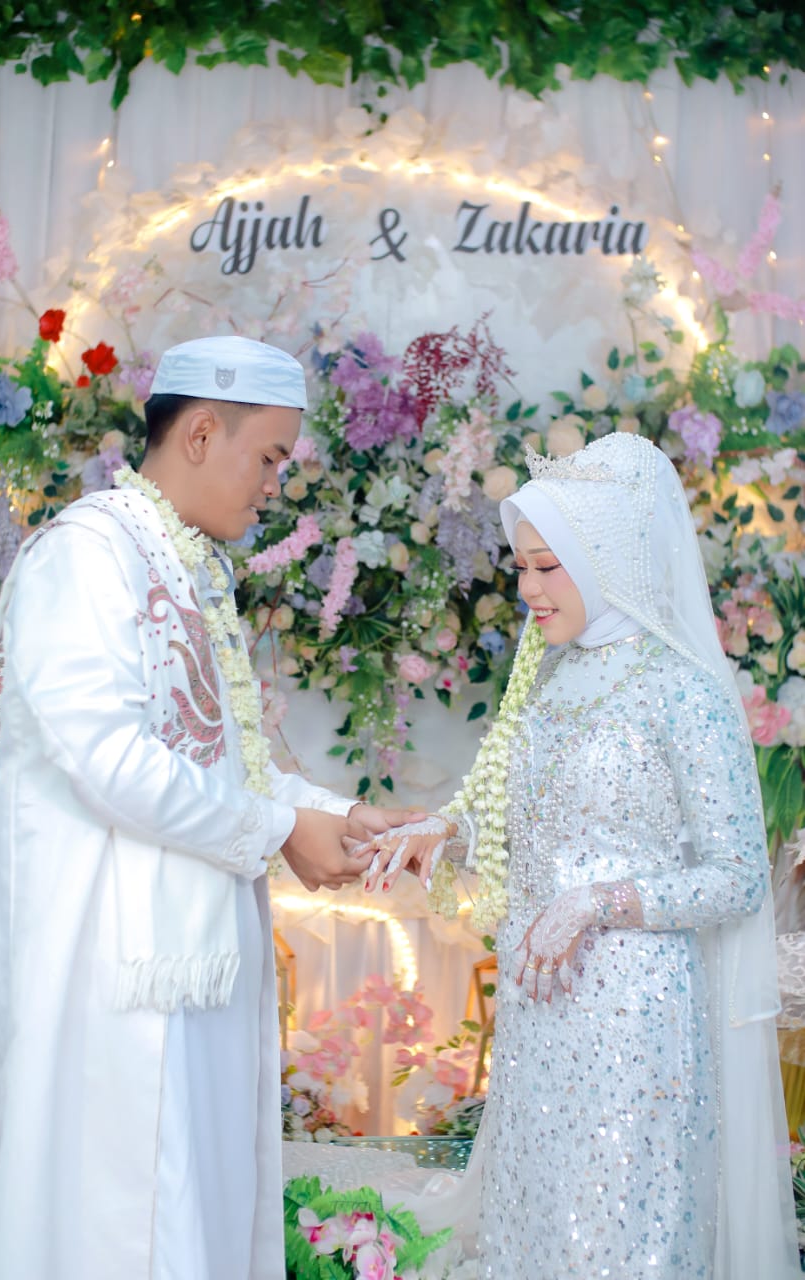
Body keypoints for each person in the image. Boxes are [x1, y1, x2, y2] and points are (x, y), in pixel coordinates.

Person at [0, 335, 424, 1280]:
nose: (275, 488)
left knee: (196, 1222)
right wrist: (280, 830)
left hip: (195, 973)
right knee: (118, 1228)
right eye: (271, 458)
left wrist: (328, 813)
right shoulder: (86, 555)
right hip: (109, 981)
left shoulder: (187, 565)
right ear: (203, 433)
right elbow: (110, 759)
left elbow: (216, 753)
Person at [363, 431, 800, 1278]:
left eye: (547, 566)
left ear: (608, 559)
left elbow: (739, 877)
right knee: (537, 1230)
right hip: (541, 1013)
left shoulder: (682, 690)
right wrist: (448, 832)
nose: (527, 589)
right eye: (521, 567)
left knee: (619, 1240)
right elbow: (538, 821)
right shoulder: (552, 676)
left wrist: (597, 903)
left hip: (636, 1025)